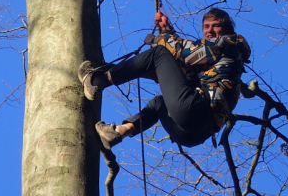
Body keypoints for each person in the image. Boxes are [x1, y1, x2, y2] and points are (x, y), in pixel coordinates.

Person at [78, 8, 251, 149]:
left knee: (158, 53)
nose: (210, 30)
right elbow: (184, 70)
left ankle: (96, 82)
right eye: (206, 26)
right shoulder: (215, 63)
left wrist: (158, 40)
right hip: (193, 134)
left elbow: (187, 53)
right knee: (158, 104)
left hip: (196, 110)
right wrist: (166, 31)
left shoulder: (227, 44)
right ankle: (118, 132)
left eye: (215, 26)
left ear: (226, 29)